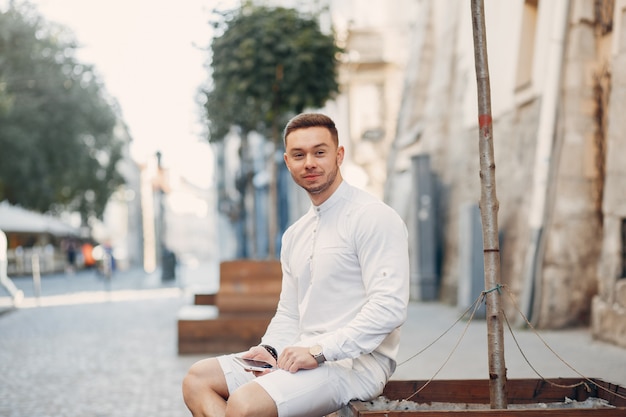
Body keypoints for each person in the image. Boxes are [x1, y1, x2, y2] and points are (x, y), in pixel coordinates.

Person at [182, 113, 410, 417]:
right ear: (288, 162)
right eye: (299, 155)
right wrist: (271, 350)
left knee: (245, 405)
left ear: (339, 155)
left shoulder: (373, 217)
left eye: (319, 152)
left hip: (354, 365)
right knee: (197, 379)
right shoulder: (295, 235)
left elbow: (389, 307)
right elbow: (290, 311)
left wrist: (319, 351)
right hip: (298, 356)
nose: (309, 163)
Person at [0, 228, 24, 307]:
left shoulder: (1, 234)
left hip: (1, 260)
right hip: (2, 259)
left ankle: (15, 294)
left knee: (2, 279)